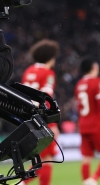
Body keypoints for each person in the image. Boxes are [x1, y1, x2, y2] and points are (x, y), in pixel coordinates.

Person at [21, 39, 60, 185]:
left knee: (40, 158)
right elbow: (46, 98)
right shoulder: (48, 73)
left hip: (27, 119)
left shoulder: (29, 71)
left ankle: (22, 183)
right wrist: (53, 124)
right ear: (50, 57)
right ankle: (23, 183)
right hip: (41, 119)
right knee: (47, 158)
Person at [74, 58, 100, 185]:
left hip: (83, 124)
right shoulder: (98, 82)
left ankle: (86, 182)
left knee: (87, 158)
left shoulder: (79, 85)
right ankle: (93, 179)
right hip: (96, 124)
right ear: (94, 67)